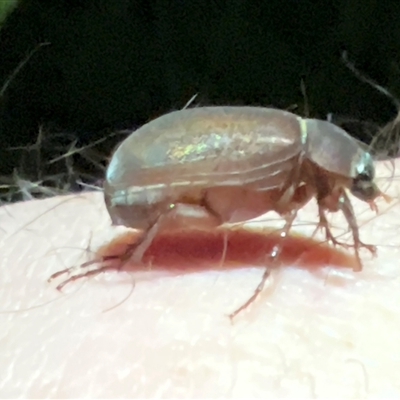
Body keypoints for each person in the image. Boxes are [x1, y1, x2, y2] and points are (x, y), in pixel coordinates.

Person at [1, 159, 398, 397]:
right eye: (360, 180)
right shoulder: (293, 162)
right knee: (173, 207)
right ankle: (123, 261)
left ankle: (123, 260)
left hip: (155, 184)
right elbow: (309, 205)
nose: (361, 192)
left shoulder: (310, 173)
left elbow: (332, 198)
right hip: (147, 192)